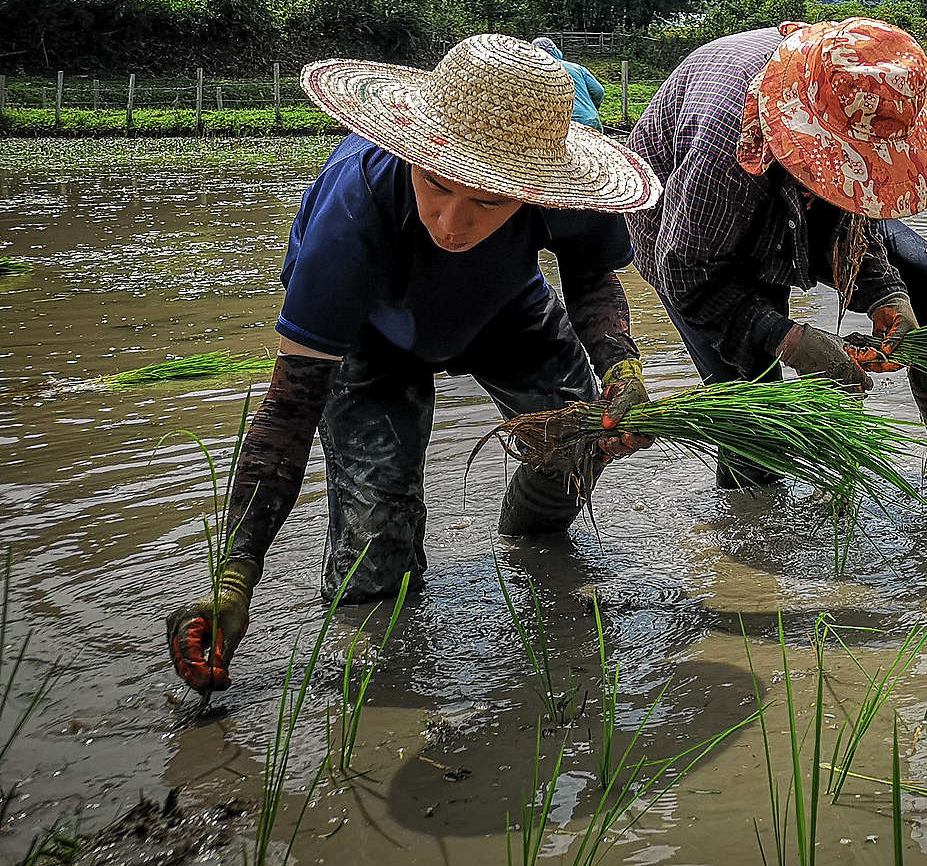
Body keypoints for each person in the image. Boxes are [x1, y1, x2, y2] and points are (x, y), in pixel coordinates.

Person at [165, 34, 663, 693]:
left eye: (487, 200)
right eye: (435, 184)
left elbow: (593, 273)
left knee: (580, 443)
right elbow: (289, 412)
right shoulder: (353, 210)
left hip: (503, 309)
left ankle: (530, 539)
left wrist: (623, 370)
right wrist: (236, 576)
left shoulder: (560, 188)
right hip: (372, 336)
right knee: (375, 558)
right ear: (412, 152)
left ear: (534, 190)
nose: (452, 222)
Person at [625, 18, 927, 478]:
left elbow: (852, 203)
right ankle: (749, 534)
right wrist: (788, 339)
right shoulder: (731, 137)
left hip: (791, 201)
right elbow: (687, 273)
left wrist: (885, 295)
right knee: (756, 402)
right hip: (697, 238)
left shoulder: (856, 88)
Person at [534, 36, 607, 129]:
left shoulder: (536, 73)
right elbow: (598, 91)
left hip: (563, 123)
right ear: (554, 50)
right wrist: (590, 109)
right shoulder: (576, 68)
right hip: (590, 118)